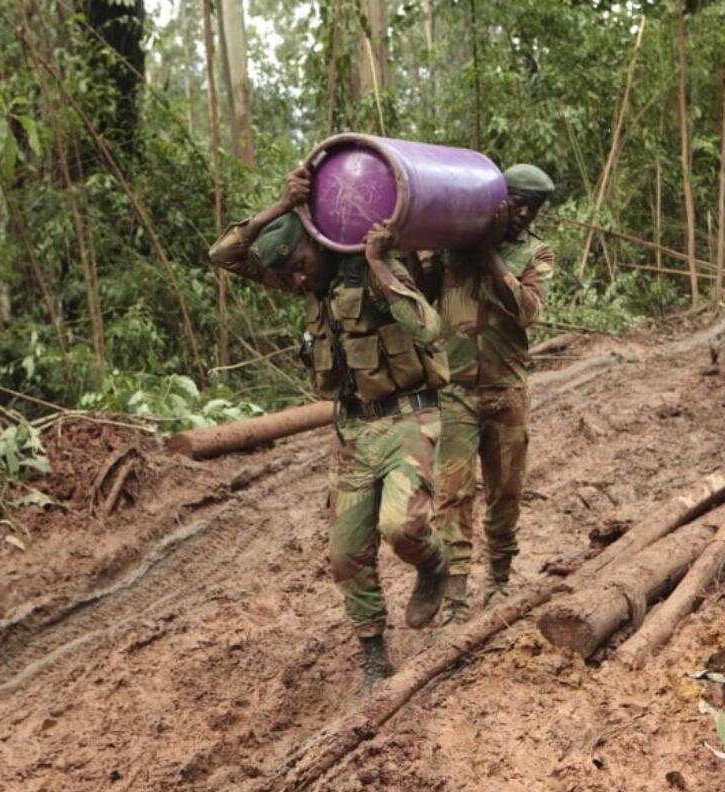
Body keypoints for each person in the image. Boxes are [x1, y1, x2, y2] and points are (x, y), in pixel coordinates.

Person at [208, 167, 451, 697]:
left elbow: (428, 327)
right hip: (353, 433)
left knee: (402, 529)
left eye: (298, 268)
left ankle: (435, 564)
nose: (296, 281)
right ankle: (374, 658)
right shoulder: (307, 278)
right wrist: (279, 206)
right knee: (345, 555)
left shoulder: (372, 265)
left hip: (409, 417)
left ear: (315, 247)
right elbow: (224, 255)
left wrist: (379, 264)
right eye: (290, 275)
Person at [414, 163, 555, 625]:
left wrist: (489, 253)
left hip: (507, 392)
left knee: (505, 492)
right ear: (496, 198)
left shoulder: (535, 253)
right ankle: (455, 598)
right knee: (453, 496)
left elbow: (528, 311)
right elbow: (417, 290)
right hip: (455, 391)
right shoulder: (452, 248)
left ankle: (498, 580)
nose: (524, 214)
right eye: (516, 203)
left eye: (532, 208)